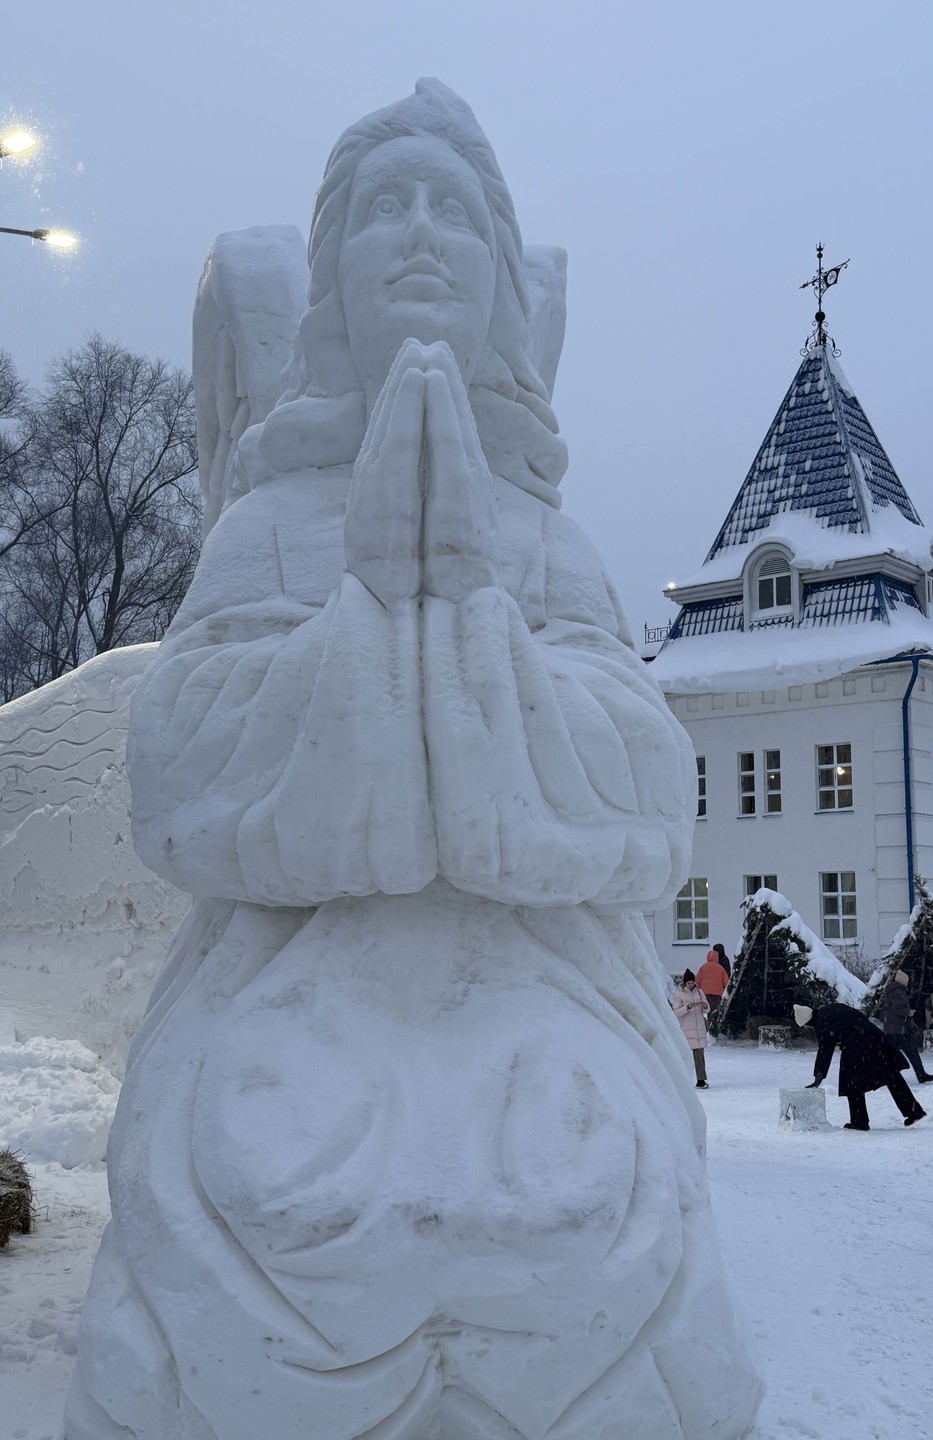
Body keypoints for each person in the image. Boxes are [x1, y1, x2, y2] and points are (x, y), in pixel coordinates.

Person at [66, 81, 764, 1440]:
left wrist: (475, 632)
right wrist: (370, 627)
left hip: (531, 981)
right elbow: (179, 767)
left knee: (580, 1188)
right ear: (329, 286)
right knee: (274, 1181)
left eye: (456, 208)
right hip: (297, 980)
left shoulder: (552, 543)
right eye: (385, 208)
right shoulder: (266, 527)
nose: (423, 233)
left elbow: (646, 783)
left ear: (505, 282)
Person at [794, 1001, 927, 1130]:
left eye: (805, 1026)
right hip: (872, 1036)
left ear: (806, 1022)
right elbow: (857, 1016)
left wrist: (819, 1076)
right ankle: (914, 1111)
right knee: (890, 1074)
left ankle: (859, 1121)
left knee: (851, 1082)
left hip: (857, 1043)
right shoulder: (829, 1009)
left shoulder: (822, 1024)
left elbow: (825, 1051)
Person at [879, 969, 933, 1083]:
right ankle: (921, 1075)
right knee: (912, 1052)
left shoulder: (890, 991)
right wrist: (908, 1012)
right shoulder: (898, 992)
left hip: (891, 1028)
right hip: (899, 1029)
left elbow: (888, 1010)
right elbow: (898, 1009)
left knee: (890, 1055)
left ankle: (884, 1076)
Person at [673, 969, 711, 1087]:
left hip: (698, 1028)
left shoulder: (699, 992)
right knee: (685, 1056)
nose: (691, 985)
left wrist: (705, 1006)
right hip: (686, 1029)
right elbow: (676, 1012)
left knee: (699, 1054)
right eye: (689, 983)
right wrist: (687, 1007)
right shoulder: (679, 995)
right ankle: (681, 1079)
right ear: (685, 983)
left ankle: (701, 1080)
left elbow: (706, 1009)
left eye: (692, 982)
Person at [696, 943, 731, 1019]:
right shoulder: (721, 968)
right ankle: (713, 1025)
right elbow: (726, 982)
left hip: (705, 993)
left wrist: (697, 991)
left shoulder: (703, 967)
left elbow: (697, 981)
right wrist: (725, 992)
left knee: (706, 1011)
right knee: (715, 1011)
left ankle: (706, 1024)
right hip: (717, 994)